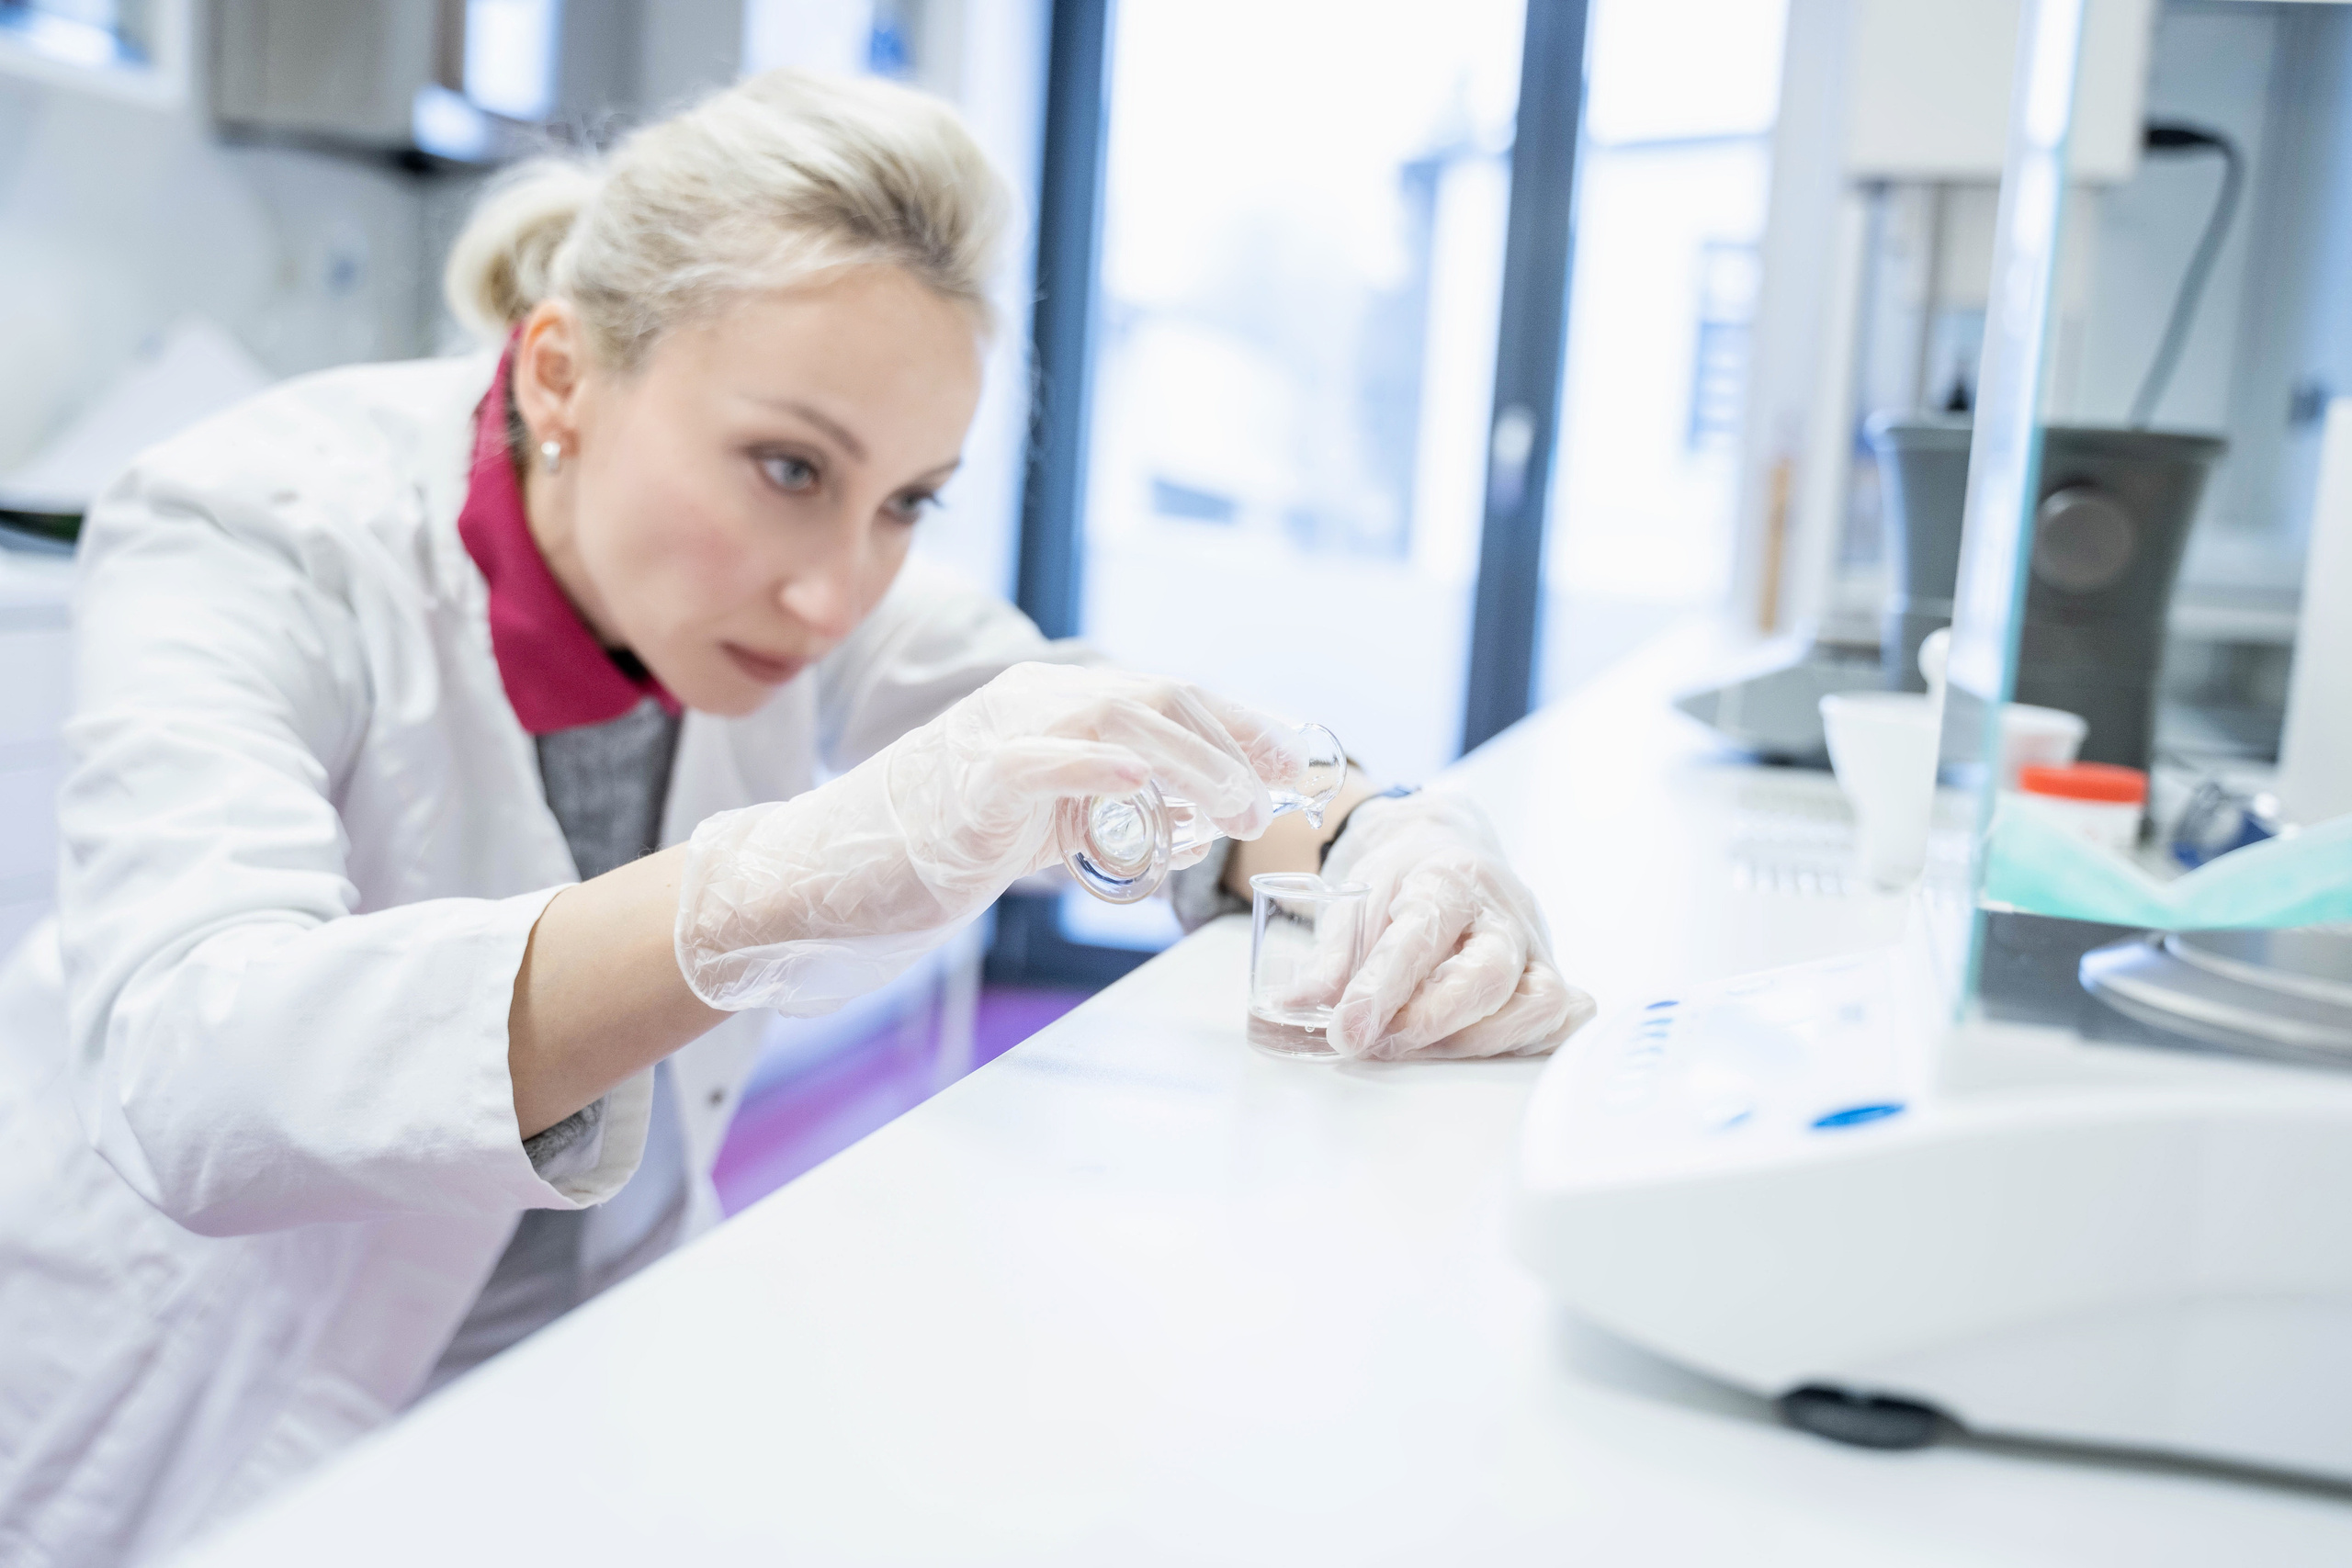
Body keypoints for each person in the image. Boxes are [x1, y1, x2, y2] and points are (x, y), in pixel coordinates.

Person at [0, 70, 1593, 1565]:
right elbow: (184, 1059)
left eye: (907, 501)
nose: (839, 588)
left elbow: (1098, 728)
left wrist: (1385, 840)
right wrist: (776, 887)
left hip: (562, 1370)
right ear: (561, 371)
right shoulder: (251, 523)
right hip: (178, 1403)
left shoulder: (799, 599)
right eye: (786, 468)